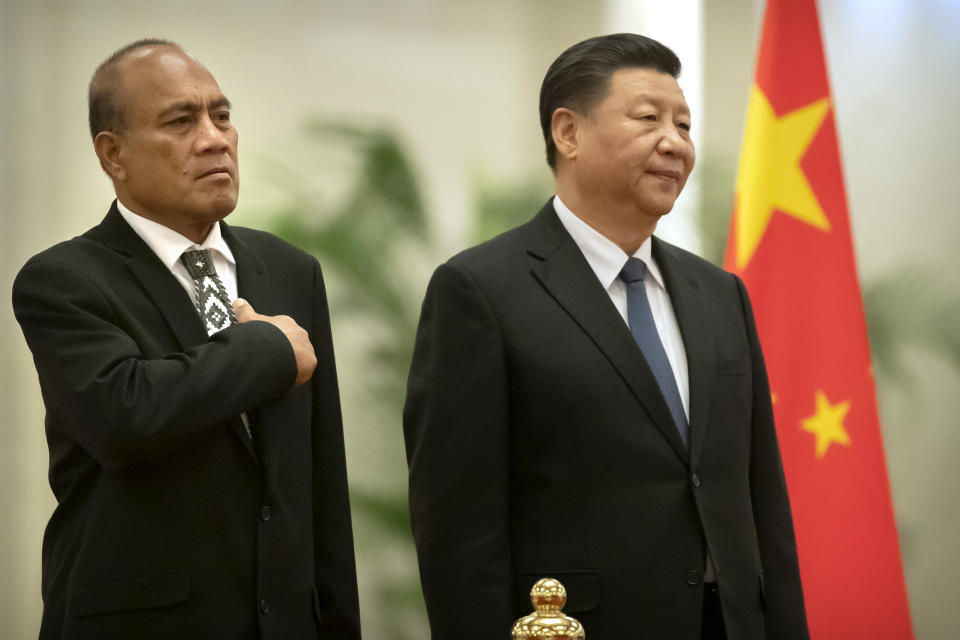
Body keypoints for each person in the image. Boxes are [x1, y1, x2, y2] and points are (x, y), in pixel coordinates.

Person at [403, 33, 808, 639]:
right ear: (568, 133)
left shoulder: (720, 294)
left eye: (684, 125)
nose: (675, 142)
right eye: (648, 119)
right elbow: (459, 530)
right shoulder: (480, 291)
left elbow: (762, 499)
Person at [12, 39, 360, 639]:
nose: (214, 138)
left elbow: (320, 487)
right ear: (112, 155)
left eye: (221, 116)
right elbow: (125, 416)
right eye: (181, 121)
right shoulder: (63, 280)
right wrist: (266, 350)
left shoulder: (290, 269)